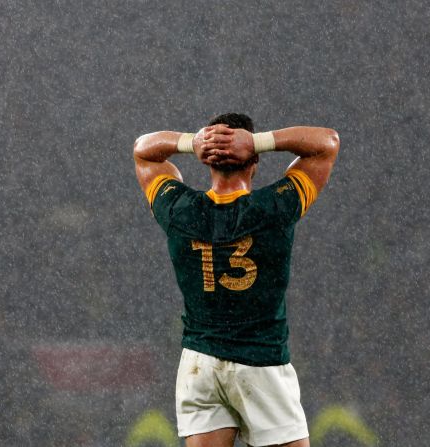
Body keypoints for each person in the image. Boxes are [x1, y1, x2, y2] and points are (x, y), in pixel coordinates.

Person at [133, 113, 339, 447]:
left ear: (208, 161)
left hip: (199, 364)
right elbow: (326, 143)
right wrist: (257, 141)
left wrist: (192, 141)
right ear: (254, 161)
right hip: (260, 362)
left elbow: (144, 150)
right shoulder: (275, 207)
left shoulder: (179, 209)